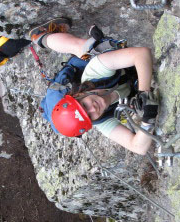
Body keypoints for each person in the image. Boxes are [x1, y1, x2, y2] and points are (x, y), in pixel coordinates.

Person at [31, 18, 157, 155]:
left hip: (88, 68)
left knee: (83, 48)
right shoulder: (101, 121)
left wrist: (144, 92)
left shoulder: (94, 72)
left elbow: (141, 53)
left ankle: (42, 38)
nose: (93, 109)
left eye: (84, 105)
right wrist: (148, 120)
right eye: (89, 116)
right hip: (123, 77)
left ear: (78, 95)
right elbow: (138, 147)